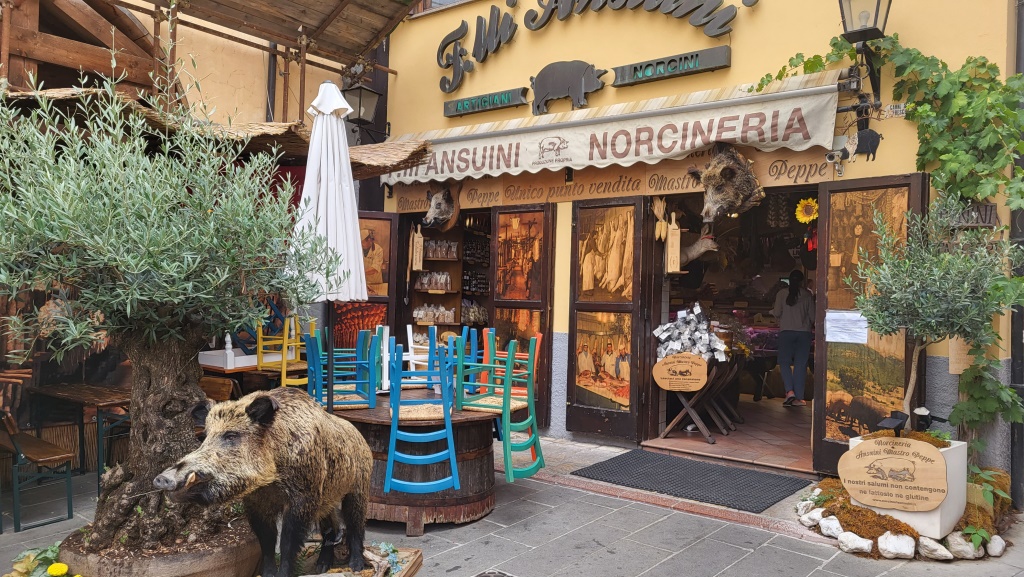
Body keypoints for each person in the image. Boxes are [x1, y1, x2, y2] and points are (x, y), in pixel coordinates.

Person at [772, 269, 815, 407]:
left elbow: (777, 312)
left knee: (784, 362)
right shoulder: (807, 295)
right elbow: (813, 317)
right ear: (802, 282)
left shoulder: (781, 293)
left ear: (789, 280)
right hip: (804, 333)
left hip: (786, 332)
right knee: (800, 365)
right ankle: (799, 398)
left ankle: (789, 391)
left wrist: (772, 312)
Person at [361, 228, 385, 294]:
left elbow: (374, 269)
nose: (361, 244)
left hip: (376, 283)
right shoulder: (358, 249)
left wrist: (360, 273)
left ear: (369, 240)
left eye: (362, 242)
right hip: (363, 283)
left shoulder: (378, 250)